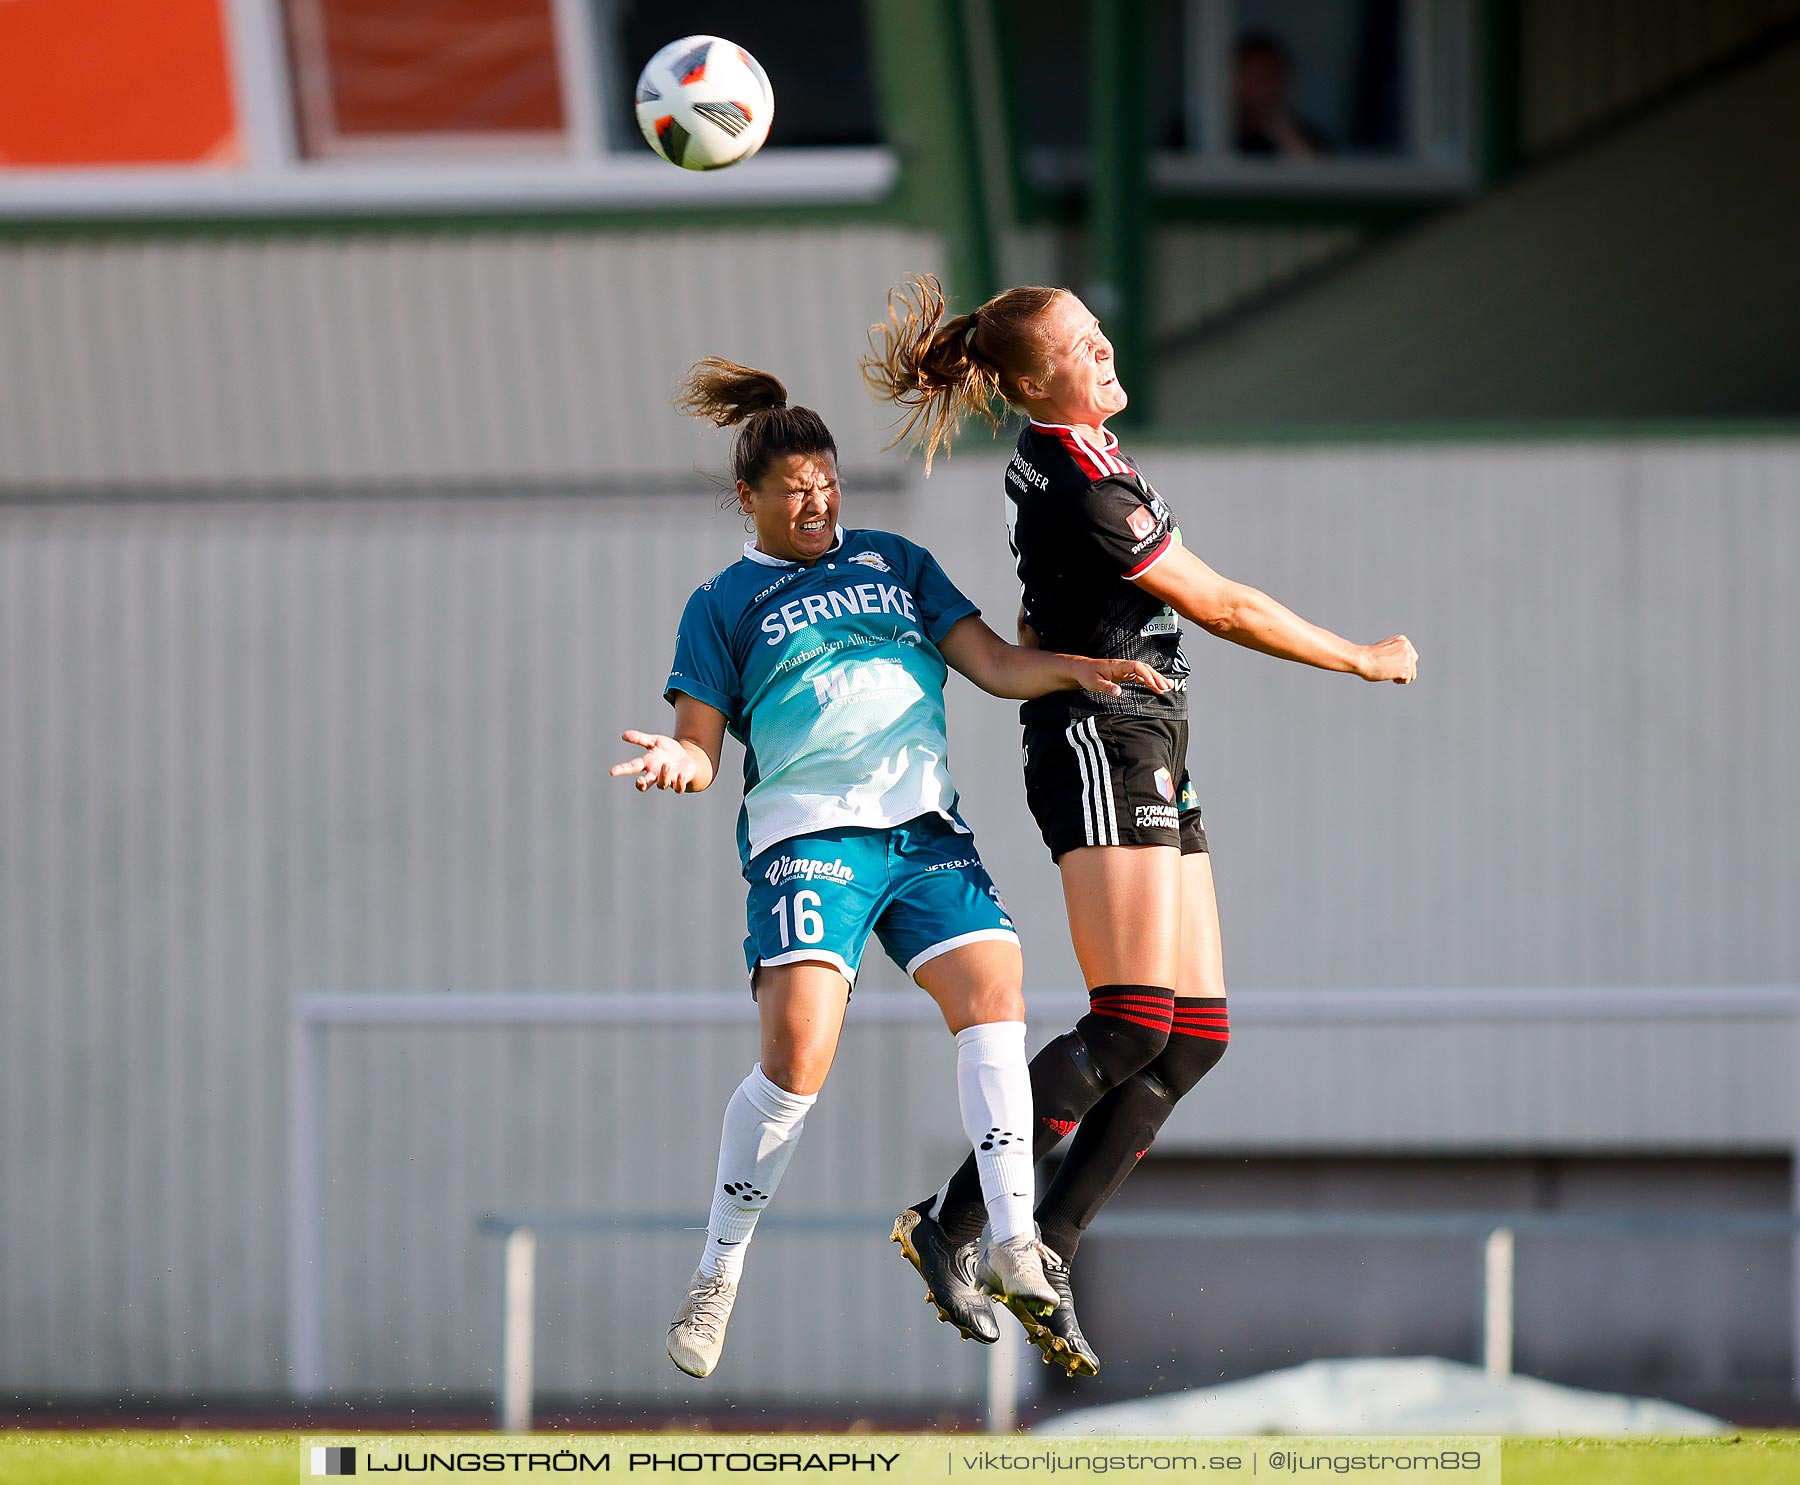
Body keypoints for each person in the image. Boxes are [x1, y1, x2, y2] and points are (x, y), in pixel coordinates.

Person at [861, 276, 1416, 1376]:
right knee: (1128, 1024)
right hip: (1102, 740)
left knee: (1194, 1036)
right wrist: (1359, 656)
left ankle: (1049, 1248)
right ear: (1032, 382)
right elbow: (1224, 605)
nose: (1106, 345)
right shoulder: (1078, 476)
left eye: (1099, 325)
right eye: (1080, 341)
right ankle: (956, 1223)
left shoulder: (1077, 452)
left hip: (1151, 730)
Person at [610, 358, 1172, 1379]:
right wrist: (678, 760)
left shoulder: (896, 562)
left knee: (997, 985)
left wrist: (1076, 669)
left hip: (923, 833)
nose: (820, 500)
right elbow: (697, 739)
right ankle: (718, 1271)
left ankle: (1011, 1238)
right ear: (750, 499)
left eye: (829, 480)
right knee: (797, 1060)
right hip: (809, 840)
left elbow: (995, 663)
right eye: (796, 488)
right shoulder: (723, 601)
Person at [1234, 29, 1328, 159]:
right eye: (1255, 77)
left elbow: (1321, 175)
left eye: (1271, 77)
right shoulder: (1215, 139)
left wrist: (1278, 128)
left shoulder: (1308, 136)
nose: (1264, 88)